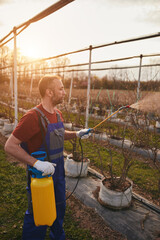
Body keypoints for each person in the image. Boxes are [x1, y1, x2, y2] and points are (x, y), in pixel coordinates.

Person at [4, 75, 90, 240]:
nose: (65, 92)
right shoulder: (32, 117)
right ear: (49, 92)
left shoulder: (57, 114)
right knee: (38, 217)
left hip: (58, 177)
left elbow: (60, 134)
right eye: (61, 88)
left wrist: (77, 134)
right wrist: (37, 163)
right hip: (40, 178)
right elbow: (10, 145)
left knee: (58, 212)